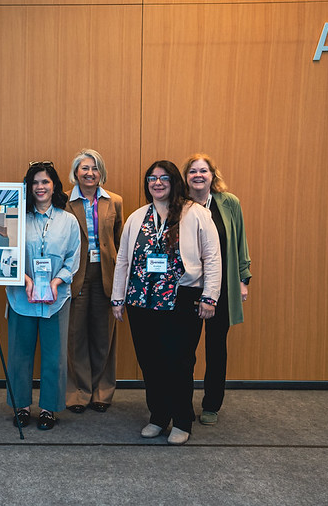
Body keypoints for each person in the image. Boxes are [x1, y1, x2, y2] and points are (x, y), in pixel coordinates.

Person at [111, 160, 221, 445]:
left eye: (164, 178)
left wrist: (210, 297)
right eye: (152, 178)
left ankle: (182, 420)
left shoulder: (195, 213)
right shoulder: (137, 217)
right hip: (140, 300)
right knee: (150, 362)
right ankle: (158, 417)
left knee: (180, 363)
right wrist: (118, 297)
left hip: (181, 300)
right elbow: (123, 259)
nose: (157, 183)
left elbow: (212, 257)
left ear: (174, 182)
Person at [6, 161, 81, 430]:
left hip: (56, 298)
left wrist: (56, 282)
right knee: (19, 355)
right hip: (21, 296)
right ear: (29, 186)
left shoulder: (68, 220)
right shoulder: (16, 216)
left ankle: (49, 408)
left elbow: (73, 258)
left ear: (54, 186)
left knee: (54, 356)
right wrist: (25, 279)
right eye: (35, 182)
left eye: (45, 182)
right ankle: (22, 407)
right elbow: (9, 253)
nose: (40, 187)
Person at [182, 154, 251, 426]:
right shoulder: (179, 205)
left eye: (204, 171)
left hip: (221, 288)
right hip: (188, 289)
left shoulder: (228, 203)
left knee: (216, 347)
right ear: (186, 177)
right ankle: (182, 402)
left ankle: (211, 404)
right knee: (185, 349)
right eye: (192, 171)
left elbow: (240, 240)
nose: (198, 175)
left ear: (212, 175)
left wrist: (243, 278)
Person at [64, 149, 124, 414]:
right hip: (75, 274)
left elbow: (120, 241)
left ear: (102, 173)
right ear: (76, 172)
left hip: (106, 274)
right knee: (75, 335)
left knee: (104, 336)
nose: (90, 173)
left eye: (95, 168)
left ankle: (102, 391)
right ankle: (78, 392)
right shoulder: (63, 201)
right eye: (84, 168)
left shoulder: (115, 201)